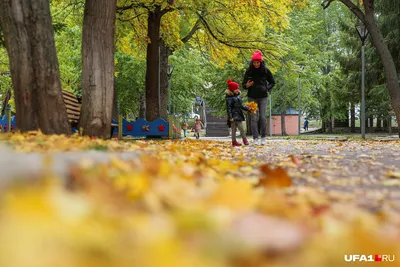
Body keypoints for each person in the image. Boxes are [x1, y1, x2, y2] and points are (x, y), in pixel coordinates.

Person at [242, 50, 275, 145]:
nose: (256, 64)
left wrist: (267, 88)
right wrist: (247, 85)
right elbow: (243, 84)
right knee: (253, 118)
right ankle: (255, 138)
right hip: (252, 97)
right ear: (252, 62)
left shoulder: (265, 70)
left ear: (260, 62)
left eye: (258, 62)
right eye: (254, 62)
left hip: (263, 97)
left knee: (263, 117)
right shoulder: (249, 71)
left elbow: (272, 82)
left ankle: (263, 137)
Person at [226, 79, 250, 147]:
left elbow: (241, 105)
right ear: (232, 90)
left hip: (239, 115)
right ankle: (234, 141)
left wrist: (248, 108)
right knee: (233, 129)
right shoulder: (229, 98)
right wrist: (230, 117)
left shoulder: (238, 96)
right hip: (233, 116)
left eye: (237, 88)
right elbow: (229, 108)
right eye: (235, 89)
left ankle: (245, 140)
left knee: (241, 128)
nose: (237, 90)